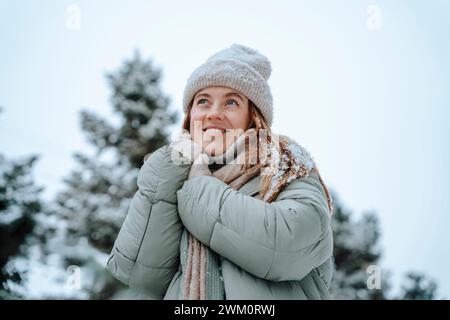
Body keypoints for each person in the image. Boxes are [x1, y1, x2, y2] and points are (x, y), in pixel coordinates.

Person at [106, 44, 334, 300]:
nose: (214, 113)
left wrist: (200, 187)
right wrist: (171, 168)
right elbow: (140, 275)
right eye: (203, 101)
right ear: (191, 114)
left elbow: (288, 247)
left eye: (231, 102)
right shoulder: (172, 178)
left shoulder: (287, 168)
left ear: (253, 116)